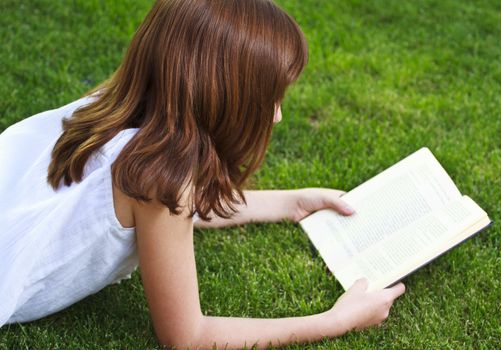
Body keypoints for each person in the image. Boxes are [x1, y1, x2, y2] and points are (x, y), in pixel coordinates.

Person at [0, 0, 405, 348]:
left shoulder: (114, 111)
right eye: (270, 99)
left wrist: (291, 202)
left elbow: (182, 210)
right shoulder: (159, 178)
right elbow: (187, 336)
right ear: (221, 98)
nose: (278, 115)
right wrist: (334, 321)